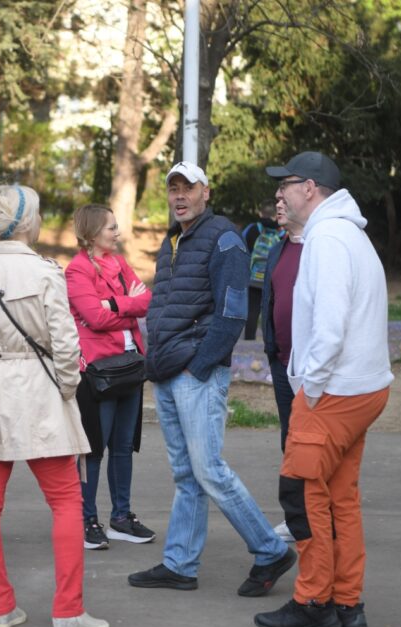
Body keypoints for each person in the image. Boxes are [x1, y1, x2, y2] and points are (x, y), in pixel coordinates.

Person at [0, 184, 109, 627]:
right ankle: (68, 612)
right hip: (38, 390)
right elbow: (65, 343)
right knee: (65, 500)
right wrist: (67, 388)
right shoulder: (44, 273)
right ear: (26, 222)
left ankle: (2, 608)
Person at [127, 161, 296, 598]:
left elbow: (233, 312)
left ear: (207, 192)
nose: (179, 195)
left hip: (194, 373)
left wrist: (198, 365)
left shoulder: (224, 238)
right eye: (173, 189)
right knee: (186, 474)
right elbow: (167, 305)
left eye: (189, 187)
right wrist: (158, 361)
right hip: (167, 372)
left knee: (208, 470)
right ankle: (180, 564)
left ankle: (269, 548)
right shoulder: (173, 241)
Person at [253, 151, 393, 627]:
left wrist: (309, 387)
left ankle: (314, 601)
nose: (279, 194)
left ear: (309, 188)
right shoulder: (347, 233)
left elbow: (330, 326)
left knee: (299, 492)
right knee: (338, 497)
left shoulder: (328, 239)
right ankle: (347, 604)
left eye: (285, 185)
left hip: (334, 391)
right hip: (363, 388)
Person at [64, 205, 155, 550]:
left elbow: (146, 300)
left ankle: (121, 517)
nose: (117, 233)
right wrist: (123, 308)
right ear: (91, 233)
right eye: (111, 228)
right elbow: (92, 318)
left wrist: (113, 307)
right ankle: (86, 519)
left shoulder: (119, 264)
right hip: (98, 372)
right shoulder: (77, 270)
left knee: (122, 447)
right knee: (93, 448)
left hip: (130, 365)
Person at [259, 190, 304, 544]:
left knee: (313, 444)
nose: (278, 205)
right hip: (281, 361)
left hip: (310, 367)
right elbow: (269, 300)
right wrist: (271, 348)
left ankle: (322, 515)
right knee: (288, 442)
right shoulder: (278, 249)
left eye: (283, 199)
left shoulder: (319, 248)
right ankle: (295, 518)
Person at [242, 199, 282, 340]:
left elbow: (242, 248)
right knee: (269, 309)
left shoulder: (252, 229)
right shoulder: (280, 231)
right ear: (275, 215)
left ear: (260, 213)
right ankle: (268, 339)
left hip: (253, 277)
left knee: (252, 308)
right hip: (271, 278)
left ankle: (249, 337)